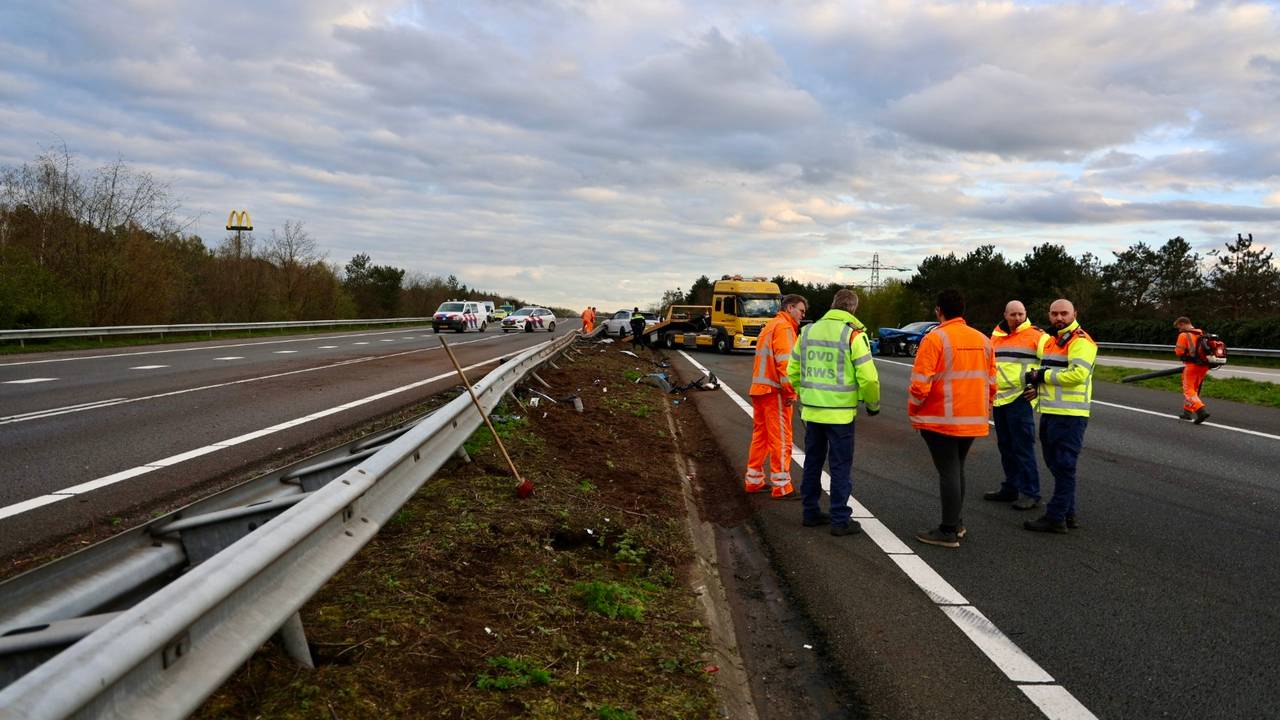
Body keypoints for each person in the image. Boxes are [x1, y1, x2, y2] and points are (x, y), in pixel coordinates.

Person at [788, 289, 880, 536]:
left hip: (813, 412)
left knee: (813, 462)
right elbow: (869, 379)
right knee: (840, 466)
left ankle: (810, 512)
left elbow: (792, 370)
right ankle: (840, 519)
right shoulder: (853, 335)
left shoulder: (806, 332)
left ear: (833, 305)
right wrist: (872, 405)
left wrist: (806, 395)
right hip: (840, 414)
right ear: (852, 309)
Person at [908, 289, 996, 548]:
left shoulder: (935, 339)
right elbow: (992, 382)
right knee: (957, 469)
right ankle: (956, 523)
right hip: (973, 419)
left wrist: (914, 412)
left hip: (941, 419)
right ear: (963, 310)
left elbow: (920, 384)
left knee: (948, 471)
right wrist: (985, 408)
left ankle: (947, 530)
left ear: (938, 311)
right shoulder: (984, 340)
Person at [1023, 298, 1097, 534]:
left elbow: (1077, 375)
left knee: (1064, 467)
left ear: (1075, 313)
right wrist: (1038, 388)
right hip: (1051, 412)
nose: (1059, 318)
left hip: (1070, 415)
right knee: (1056, 465)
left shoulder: (1080, 341)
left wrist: (1041, 376)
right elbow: (1056, 373)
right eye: (1054, 313)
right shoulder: (1053, 341)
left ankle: (1056, 517)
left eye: (1064, 313)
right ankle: (1068, 512)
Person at [983, 301, 1046, 510]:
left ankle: (1031, 492)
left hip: (1020, 399)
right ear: (1005, 315)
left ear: (1026, 314)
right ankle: (1011, 487)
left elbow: (1051, 362)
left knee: (1023, 447)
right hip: (1000, 399)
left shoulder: (1037, 336)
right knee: (1006, 447)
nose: (1017, 318)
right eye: (1013, 315)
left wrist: (1037, 386)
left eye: (1020, 314)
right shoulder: (996, 336)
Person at [745, 294, 807, 498]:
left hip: (760, 389)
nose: (802, 315)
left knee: (761, 437)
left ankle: (753, 480)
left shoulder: (771, 325)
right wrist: (791, 391)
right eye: (801, 310)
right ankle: (781, 486)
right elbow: (786, 363)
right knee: (781, 438)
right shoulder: (785, 327)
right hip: (775, 392)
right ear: (790, 308)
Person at [1174, 316, 1211, 424]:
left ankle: (1201, 411)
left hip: (1192, 365)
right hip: (1204, 366)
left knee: (1188, 390)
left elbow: (1179, 352)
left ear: (1182, 324)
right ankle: (1187, 413)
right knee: (1193, 390)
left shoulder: (1183, 335)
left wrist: (1176, 349)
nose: (1179, 330)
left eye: (1179, 327)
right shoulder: (1201, 334)